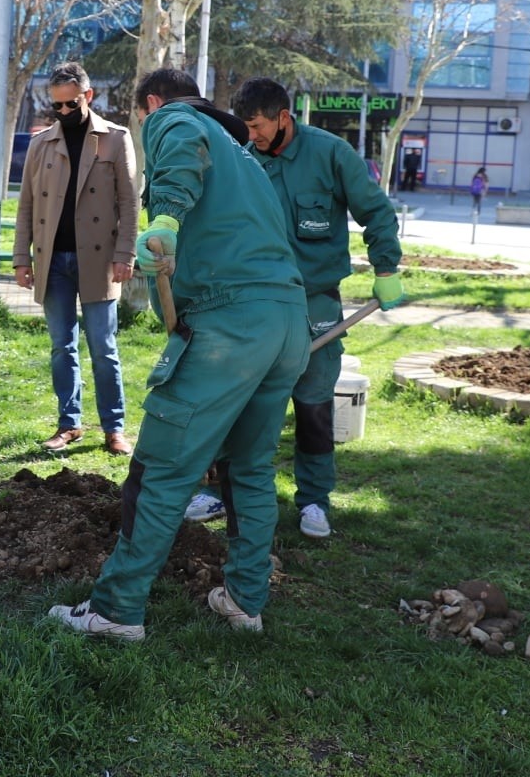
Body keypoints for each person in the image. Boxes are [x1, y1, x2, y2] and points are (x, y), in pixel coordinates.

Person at [48, 68, 310, 641]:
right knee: (249, 469)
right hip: (285, 322)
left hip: (230, 326)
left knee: (160, 469)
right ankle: (244, 601)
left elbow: (179, 155)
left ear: (149, 104)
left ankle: (116, 611)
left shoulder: (174, 118)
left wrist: (163, 217)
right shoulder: (246, 156)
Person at [228, 77, 405, 539]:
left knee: (312, 408)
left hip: (314, 306)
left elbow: (377, 211)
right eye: (244, 127)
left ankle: (313, 500)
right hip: (255, 304)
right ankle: (223, 489)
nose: (252, 135)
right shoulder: (240, 157)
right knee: (237, 405)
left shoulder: (330, 154)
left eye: (257, 125)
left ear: (283, 117)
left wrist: (385, 268)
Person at [13, 62, 138, 456]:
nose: (64, 113)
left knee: (103, 345)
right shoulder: (40, 143)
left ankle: (113, 427)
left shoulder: (116, 139)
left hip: (100, 262)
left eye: (71, 104)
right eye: (57, 107)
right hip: (54, 261)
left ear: (88, 96)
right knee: (61, 346)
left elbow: (130, 204)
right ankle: (69, 423)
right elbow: (26, 206)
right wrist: (22, 258)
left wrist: (126, 254)